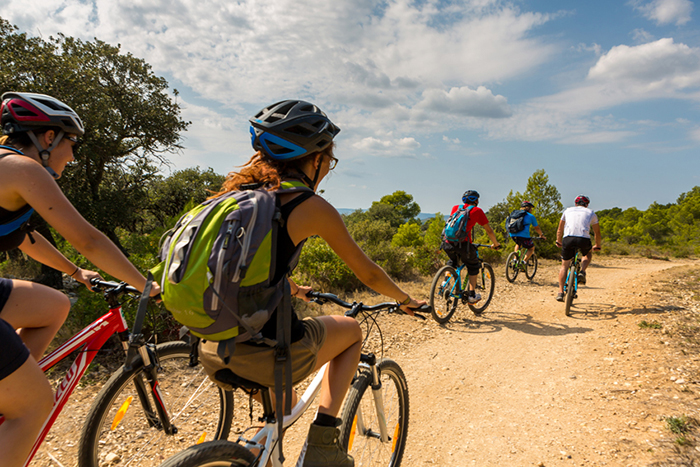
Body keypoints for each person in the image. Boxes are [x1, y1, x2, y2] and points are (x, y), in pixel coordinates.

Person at [196, 100, 426, 467]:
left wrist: (291, 287)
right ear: (315, 160)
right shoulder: (307, 205)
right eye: (328, 162)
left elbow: (241, 273)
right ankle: (323, 445)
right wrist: (404, 298)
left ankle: (255, 456)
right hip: (265, 353)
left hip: (211, 346)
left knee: (283, 412)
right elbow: (367, 273)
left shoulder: (236, 198)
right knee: (350, 330)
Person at [0, 91, 160, 467]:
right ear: (48, 137)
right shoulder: (23, 169)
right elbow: (88, 239)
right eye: (71, 142)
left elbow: (24, 237)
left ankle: (7, 395)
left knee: (54, 304)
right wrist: (144, 284)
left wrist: (74, 272)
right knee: (37, 404)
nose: (72, 156)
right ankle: (19, 406)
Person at [441, 190, 501, 303]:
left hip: (447, 243)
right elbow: (489, 230)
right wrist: (495, 244)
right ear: (477, 200)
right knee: (473, 266)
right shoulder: (477, 211)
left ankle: (445, 282)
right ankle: (472, 295)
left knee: (452, 261)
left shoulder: (456, 208)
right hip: (463, 245)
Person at [555, 194, 602, 302]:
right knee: (587, 254)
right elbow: (597, 232)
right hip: (583, 239)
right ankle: (582, 271)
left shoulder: (567, 211)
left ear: (576, 204)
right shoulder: (591, 213)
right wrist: (597, 245)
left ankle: (560, 292)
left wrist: (559, 241)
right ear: (586, 205)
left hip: (568, 239)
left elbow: (560, 229)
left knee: (564, 266)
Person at [509, 200, 545, 265]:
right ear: (527, 208)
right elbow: (537, 228)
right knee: (531, 248)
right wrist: (541, 235)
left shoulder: (515, 214)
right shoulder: (530, 216)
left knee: (518, 244)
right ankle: (524, 261)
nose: (531, 210)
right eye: (531, 208)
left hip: (512, 234)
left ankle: (515, 259)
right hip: (524, 236)